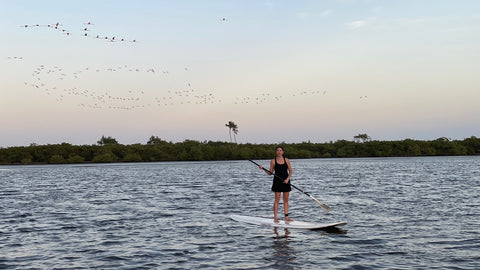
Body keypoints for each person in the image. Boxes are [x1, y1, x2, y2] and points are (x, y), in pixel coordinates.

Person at [259, 146, 293, 223]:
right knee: (277, 200)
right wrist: (263, 169)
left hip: (286, 181)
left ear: (283, 152)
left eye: (280, 150)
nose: (279, 152)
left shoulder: (286, 160)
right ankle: (275, 218)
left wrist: (287, 179)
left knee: (286, 200)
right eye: (277, 150)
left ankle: (286, 217)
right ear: (276, 152)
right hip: (277, 182)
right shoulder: (273, 161)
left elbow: (290, 171)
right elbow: (270, 173)